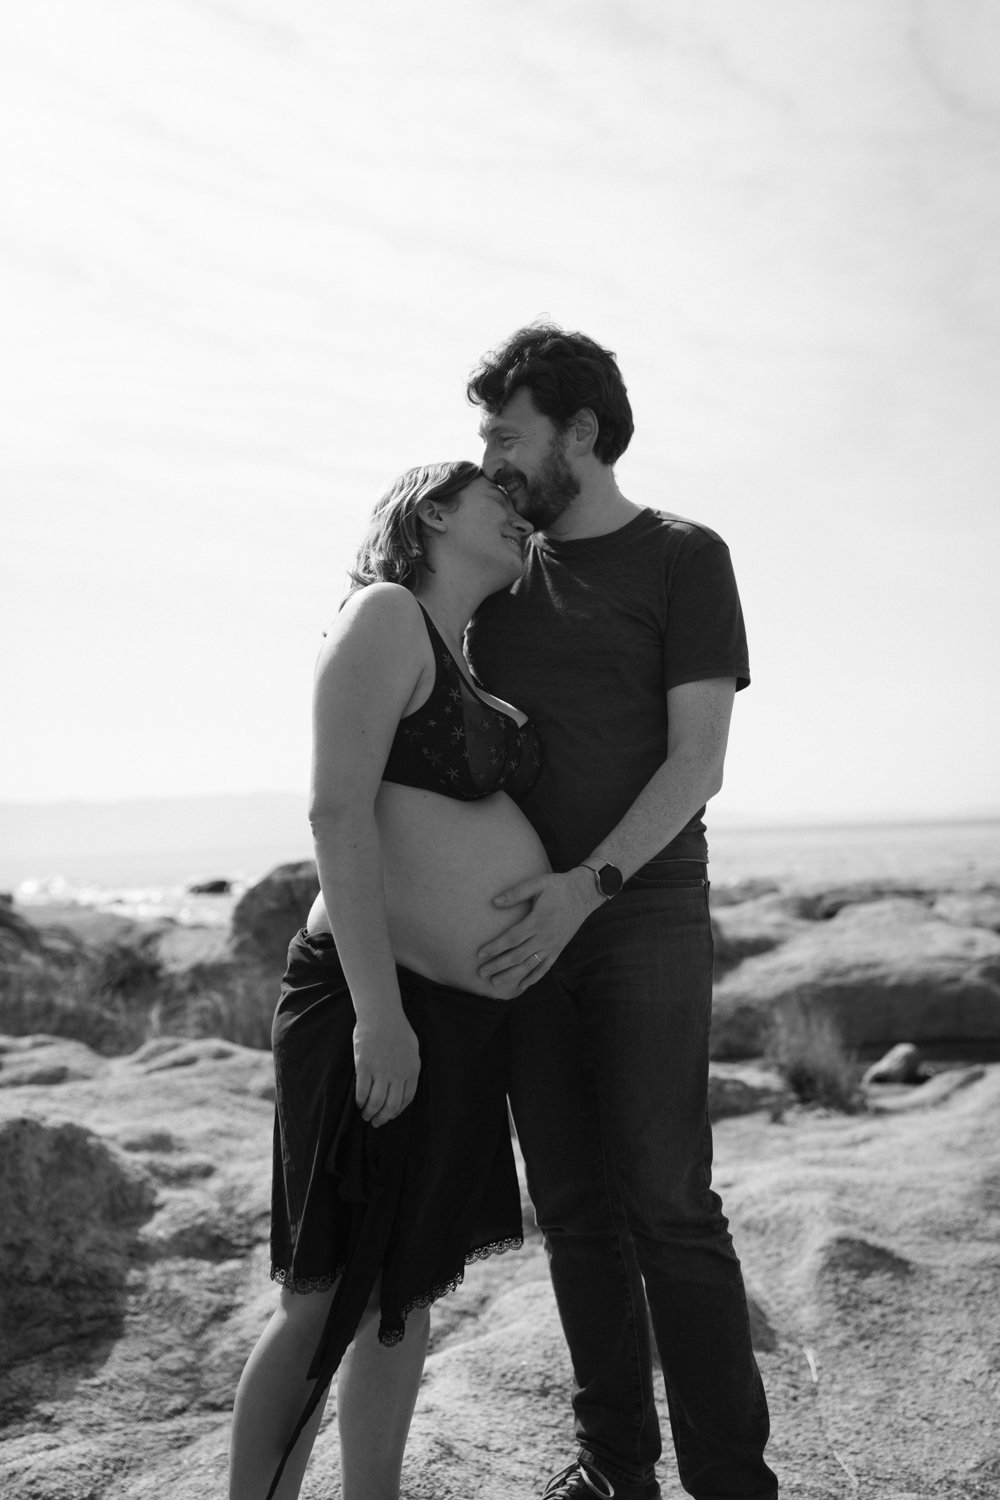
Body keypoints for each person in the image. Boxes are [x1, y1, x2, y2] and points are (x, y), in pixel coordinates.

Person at [464, 326, 779, 1500]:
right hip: (517, 929)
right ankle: (613, 1470)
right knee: (574, 1208)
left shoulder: (684, 557)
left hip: (639, 911)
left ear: (580, 433)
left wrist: (582, 889)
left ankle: (731, 1481)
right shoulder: (495, 572)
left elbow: (696, 762)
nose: (489, 458)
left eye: (507, 433)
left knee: (668, 1203)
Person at [228, 460, 549, 1500]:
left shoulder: (460, 653)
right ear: (434, 511)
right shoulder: (382, 616)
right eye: (500, 498)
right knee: (324, 1295)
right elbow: (334, 813)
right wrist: (378, 1016)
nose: (521, 515)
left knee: (401, 1295)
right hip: (373, 1003)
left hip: (448, 1020)